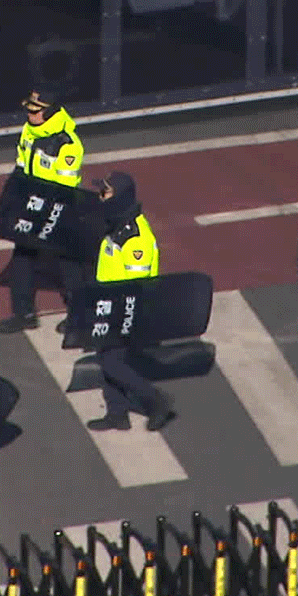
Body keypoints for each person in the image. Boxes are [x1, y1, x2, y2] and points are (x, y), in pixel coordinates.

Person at [83, 171, 176, 432]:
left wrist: (117, 316)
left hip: (128, 311)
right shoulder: (116, 224)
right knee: (106, 357)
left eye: (106, 192)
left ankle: (157, 400)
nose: (100, 196)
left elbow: (136, 288)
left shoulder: (135, 240)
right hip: (109, 303)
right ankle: (117, 413)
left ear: (120, 198)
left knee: (111, 362)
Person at [0, 88, 86, 334]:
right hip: (32, 205)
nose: (30, 114)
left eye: (36, 111)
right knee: (22, 261)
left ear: (51, 111)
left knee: (67, 268)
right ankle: (23, 313)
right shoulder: (29, 130)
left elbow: (63, 188)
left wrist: (46, 213)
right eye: (29, 109)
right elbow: (22, 165)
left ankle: (79, 316)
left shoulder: (67, 144)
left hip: (59, 211)